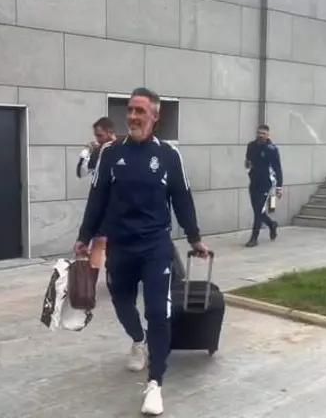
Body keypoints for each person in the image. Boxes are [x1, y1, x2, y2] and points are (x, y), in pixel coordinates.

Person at [73, 87, 208, 416]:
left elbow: (182, 198)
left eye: (140, 112)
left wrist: (194, 238)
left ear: (155, 117)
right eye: (130, 110)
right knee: (121, 302)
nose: (132, 116)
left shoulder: (168, 156)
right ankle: (137, 340)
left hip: (155, 245)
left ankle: (155, 384)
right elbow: (98, 198)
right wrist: (84, 237)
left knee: (158, 313)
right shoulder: (110, 153)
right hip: (120, 244)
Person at [76, 117, 117, 270]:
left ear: (110, 132)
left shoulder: (120, 149)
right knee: (98, 241)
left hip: (115, 204)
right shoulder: (98, 150)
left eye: (100, 135)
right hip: (100, 203)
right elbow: (81, 173)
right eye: (96, 136)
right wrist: (87, 152)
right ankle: (89, 284)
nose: (97, 139)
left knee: (101, 242)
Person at [244, 124, 283, 248]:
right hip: (254, 182)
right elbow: (248, 162)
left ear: (268, 135)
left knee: (258, 211)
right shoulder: (251, 146)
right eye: (259, 133)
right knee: (257, 210)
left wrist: (279, 187)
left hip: (266, 183)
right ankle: (272, 225)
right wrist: (248, 168)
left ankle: (254, 238)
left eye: (263, 133)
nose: (260, 135)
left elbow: (277, 168)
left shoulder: (272, 149)